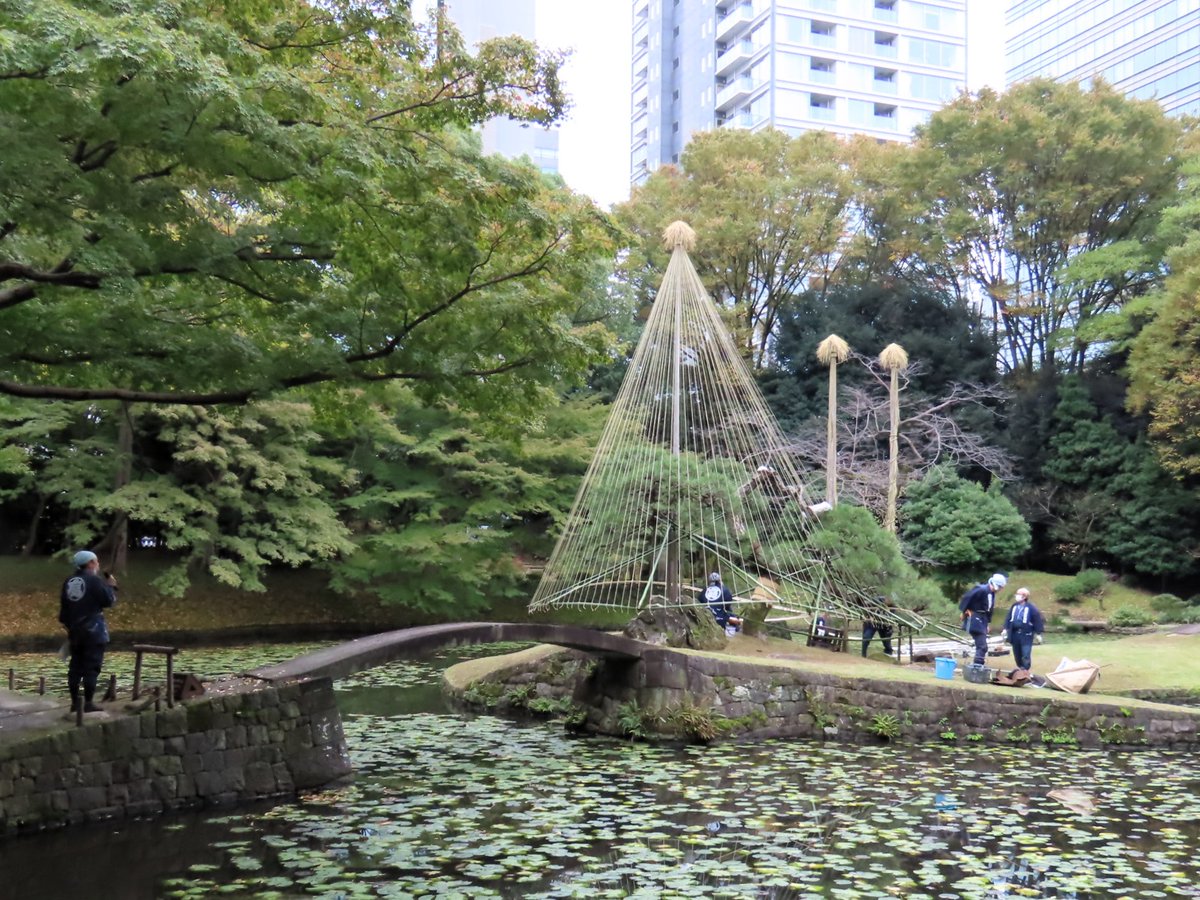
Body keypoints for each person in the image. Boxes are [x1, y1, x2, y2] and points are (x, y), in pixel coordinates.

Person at [59, 549, 118, 713]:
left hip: (75, 632)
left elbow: (63, 613)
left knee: (75, 667)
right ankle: (89, 703)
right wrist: (111, 587)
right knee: (92, 667)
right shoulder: (94, 580)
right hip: (94, 631)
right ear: (91, 563)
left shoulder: (68, 581)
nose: (98, 565)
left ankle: (74, 703)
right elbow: (109, 601)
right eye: (96, 561)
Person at [958, 573, 1007, 666]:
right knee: (982, 646)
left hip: (982, 619)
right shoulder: (981, 589)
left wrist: (987, 623)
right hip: (975, 618)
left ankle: (978, 664)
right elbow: (967, 598)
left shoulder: (991, 594)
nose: (1000, 590)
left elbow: (989, 610)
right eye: (1000, 587)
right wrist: (964, 611)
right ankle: (978, 666)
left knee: (982, 645)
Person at [1003, 587, 1045, 671]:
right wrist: (1005, 629)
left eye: (1019, 594)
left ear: (1025, 597)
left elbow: (1037, 619)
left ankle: (1025, 670)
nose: (1017, 596)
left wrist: (1038, 633)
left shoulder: (1031, 607)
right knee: (1017, 653)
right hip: (1015, 634)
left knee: (1025, 654)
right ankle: (1020, 668)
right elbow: (1008, 617)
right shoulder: (1014, 606)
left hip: (1026, 634)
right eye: (1017, 594)